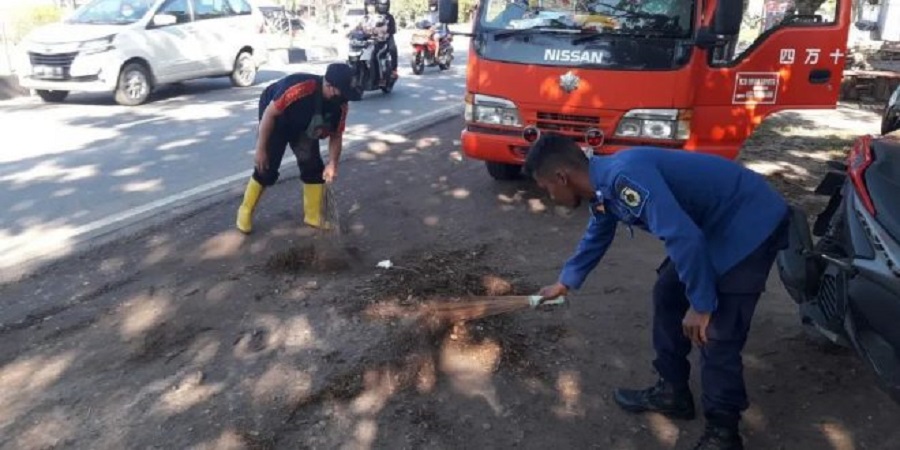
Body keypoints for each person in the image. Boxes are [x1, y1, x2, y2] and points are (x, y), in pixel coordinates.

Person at [526, 134, 790, 450]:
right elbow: (598, 231)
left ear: (561, 177)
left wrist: (701, 305)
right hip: (712, 224)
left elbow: (684, 238)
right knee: (668, 293)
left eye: (546, 187)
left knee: (716, 331)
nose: (549, 195)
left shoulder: (623, 178)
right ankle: (672, 391)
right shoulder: (603, 184)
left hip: (749, 219)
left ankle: (723, 433)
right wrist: (565, 282)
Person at [235, 63, 361, 234]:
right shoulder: (300, 88)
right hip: (276, 118)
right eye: (343, 92)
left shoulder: (340, 105)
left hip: (304, 123)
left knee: (313, 166)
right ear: (330, 86)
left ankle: (313, 216)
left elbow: (336, 135)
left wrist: (333, 164)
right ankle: (245, 210)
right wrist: (261, 149)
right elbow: (269, 114)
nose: (346, 99)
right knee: (267, 167)